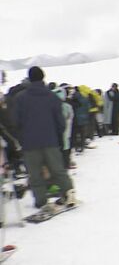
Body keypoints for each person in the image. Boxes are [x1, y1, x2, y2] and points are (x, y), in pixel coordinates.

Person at [12, 66, 76, 210]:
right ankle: (69, 194)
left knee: (35, 175)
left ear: (29, 78)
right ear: (43, 77)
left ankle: (41, 201)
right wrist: (59, 139)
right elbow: (60, 122)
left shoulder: (20, 98)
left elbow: (15, 122)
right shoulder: (52, 97)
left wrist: (22, 139)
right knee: (58, 170)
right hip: (50, 140)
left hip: (29, 143)